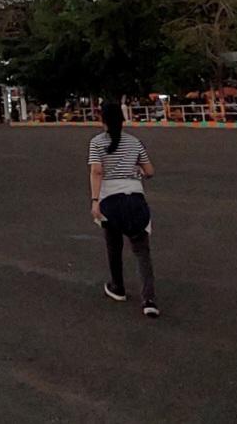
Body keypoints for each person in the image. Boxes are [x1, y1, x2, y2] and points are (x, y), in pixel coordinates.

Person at [88, 102, 158, 318]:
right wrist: (136, 169)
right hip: (135, 198)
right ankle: (149, 300)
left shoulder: (97, 143)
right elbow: (150, 171)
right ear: (122, 118)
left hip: (111, 199)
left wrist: (94, 200)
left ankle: (117, 287)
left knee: (114, 245)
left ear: (102, 120)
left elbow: (97, 172)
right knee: (141, 251)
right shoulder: (135, 142)